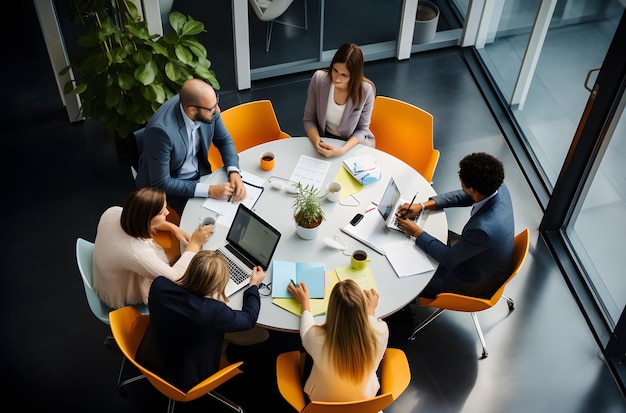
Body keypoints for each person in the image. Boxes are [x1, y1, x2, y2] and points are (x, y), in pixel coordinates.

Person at [135, 250, 269, 393]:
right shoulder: (214, 311)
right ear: (217, 284)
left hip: (150, 358)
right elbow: (249, 319)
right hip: (189, 380)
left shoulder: (159, 285)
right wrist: (253, 285)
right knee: (263, 334)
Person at [396, 152, 515, 299]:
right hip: (484, 260)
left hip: (469, 281)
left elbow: (449, 259)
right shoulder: (497, 187)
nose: (459, 178)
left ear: (472, 188)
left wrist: (417, 232)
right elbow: (466, 195)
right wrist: (422, 206)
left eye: (460, 176)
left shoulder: (482, 230)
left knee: (405, 282)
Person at [135, 78, 247, 215]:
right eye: (213, 108)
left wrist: (234, 172)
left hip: (199, 173)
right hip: (168, 189)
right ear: (192, 110)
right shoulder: (161, 132)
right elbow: (161, 182)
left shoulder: (206, 106)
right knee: (209, 219)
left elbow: (224, 140)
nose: (218, 110)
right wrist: (210, 190)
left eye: (216, 103)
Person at [93, 187, 212, 309]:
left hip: (106, 270)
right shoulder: (136, 253)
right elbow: (175, 277)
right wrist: (195, 243)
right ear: (147, 219)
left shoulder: (113, 212)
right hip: (120, 289)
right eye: (161, 212)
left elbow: (139, 220)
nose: (167, 212)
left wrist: (173, 228)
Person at [287, 279, 389, 402]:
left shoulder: (316, 338)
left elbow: (305, 331)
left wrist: (304, 303)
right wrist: (371, 311)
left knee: (310, 354)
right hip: (364, 400)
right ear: (363, 308)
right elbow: (371, 324)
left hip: (321, 402)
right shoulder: (381, 331)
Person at [302, 43, 376, 158]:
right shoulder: (318, 80)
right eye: (335, 70)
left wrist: (341, 150)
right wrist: (318, 142)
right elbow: (308, 120)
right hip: (324, 139)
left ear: (354, 76)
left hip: (351, 146)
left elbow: (362, 130)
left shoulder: (366, 90)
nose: (337, 78)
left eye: (344, 75)